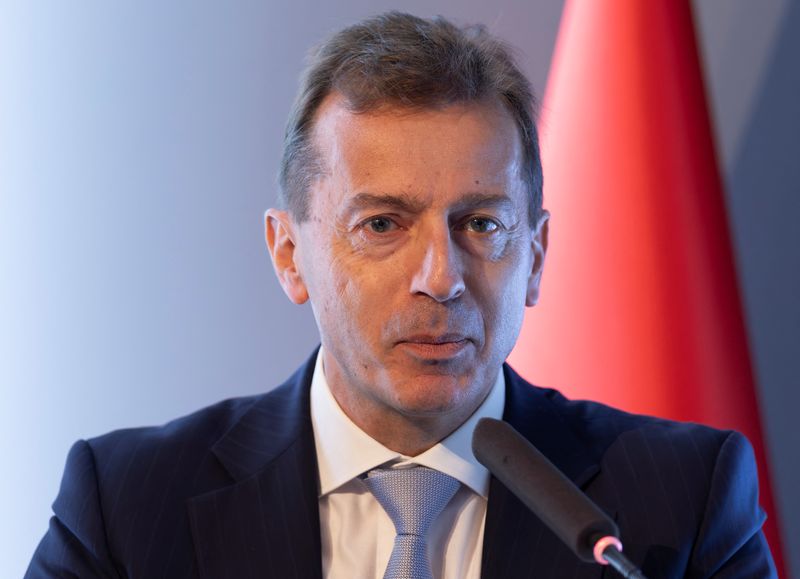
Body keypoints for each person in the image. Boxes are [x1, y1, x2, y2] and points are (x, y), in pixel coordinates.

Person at [26, 11, 776, 579]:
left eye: (482, 222)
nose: (442, 276)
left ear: (537, 255)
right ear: (290, 254)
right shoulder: (127, 506)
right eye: (383, 224)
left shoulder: (683, 501)